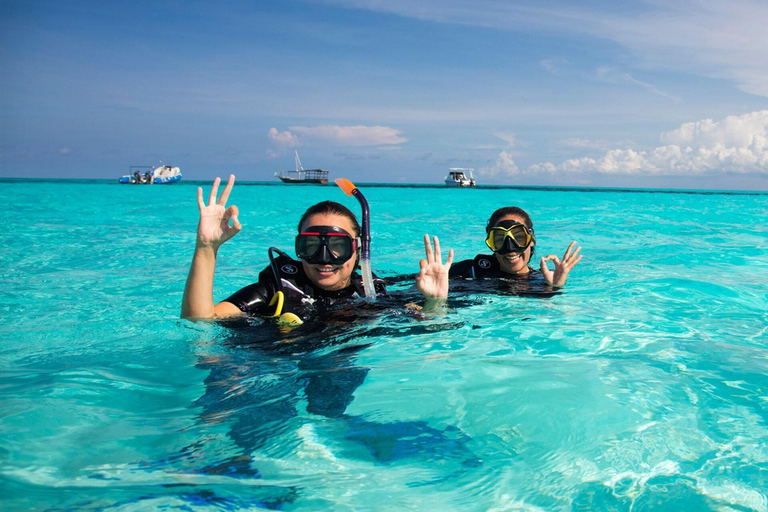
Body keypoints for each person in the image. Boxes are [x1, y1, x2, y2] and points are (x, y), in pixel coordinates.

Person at [181, 175, 447, 322]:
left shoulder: (370, 293)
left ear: (358, 251)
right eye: (311, 245)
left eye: (337, 246)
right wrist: (206, 248)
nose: (324, 259)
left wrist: (435, 302)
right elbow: (200, 323)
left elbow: (427, 328)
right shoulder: (278, 287)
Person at [448, 206, 581, 287]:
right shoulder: (468, 271)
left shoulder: (542, 280)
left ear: (531, 239)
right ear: (491, 244)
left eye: (519, 238)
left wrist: (554, 288)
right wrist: (435, 300)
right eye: (500, 239)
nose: (510, 248)